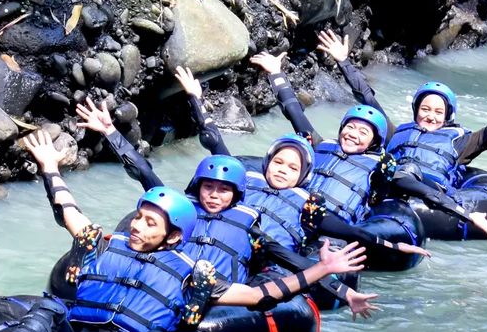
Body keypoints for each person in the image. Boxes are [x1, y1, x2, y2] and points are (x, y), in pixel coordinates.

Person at [0, 130, 366, 332]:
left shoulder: (194, 275)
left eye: (149, 223)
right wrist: (49, 168)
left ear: (172, 237)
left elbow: (257, 295)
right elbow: (67, 210)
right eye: (138, 217)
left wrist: (322, 271)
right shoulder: (105, 243)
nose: (137, 226)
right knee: (52, 306)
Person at [75, 102, 380, 318]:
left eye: (292, 167)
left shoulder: (254, 225)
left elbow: (295, 260)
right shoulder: (192, 212)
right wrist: (111, 133)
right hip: (171, 279)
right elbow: (149, 177)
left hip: (224, 287)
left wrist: (345, 292)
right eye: (209, 187)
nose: (215, 195)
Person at [171, 65, 431, 260]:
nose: (283, 170)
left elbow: (357, 228)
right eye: (350, 127)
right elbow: (218, 146)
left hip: (299, 240)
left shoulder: (314, 202)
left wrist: (394, 246)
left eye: (364, 132)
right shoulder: (259, 177)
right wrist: (196, 98)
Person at [249, 51, 487, 242]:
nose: (353, 134)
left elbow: (424, 192)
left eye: (363, 132)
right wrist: (276, 74)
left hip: (333, 235)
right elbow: (295, 113)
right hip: (291, 219)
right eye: (350, 127)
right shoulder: (319, 147)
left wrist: (466, 214)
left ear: (374, 142)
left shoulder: (379, 170)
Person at [315, 30, 487, 192]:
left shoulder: (462, 142)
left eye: (437, 112)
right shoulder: (396, 133)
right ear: (415, 111)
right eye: (424, 109)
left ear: (448, 117)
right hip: (391, 187)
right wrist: (343, 62)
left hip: (430, 195)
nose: (430, 116)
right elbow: (367, 98)